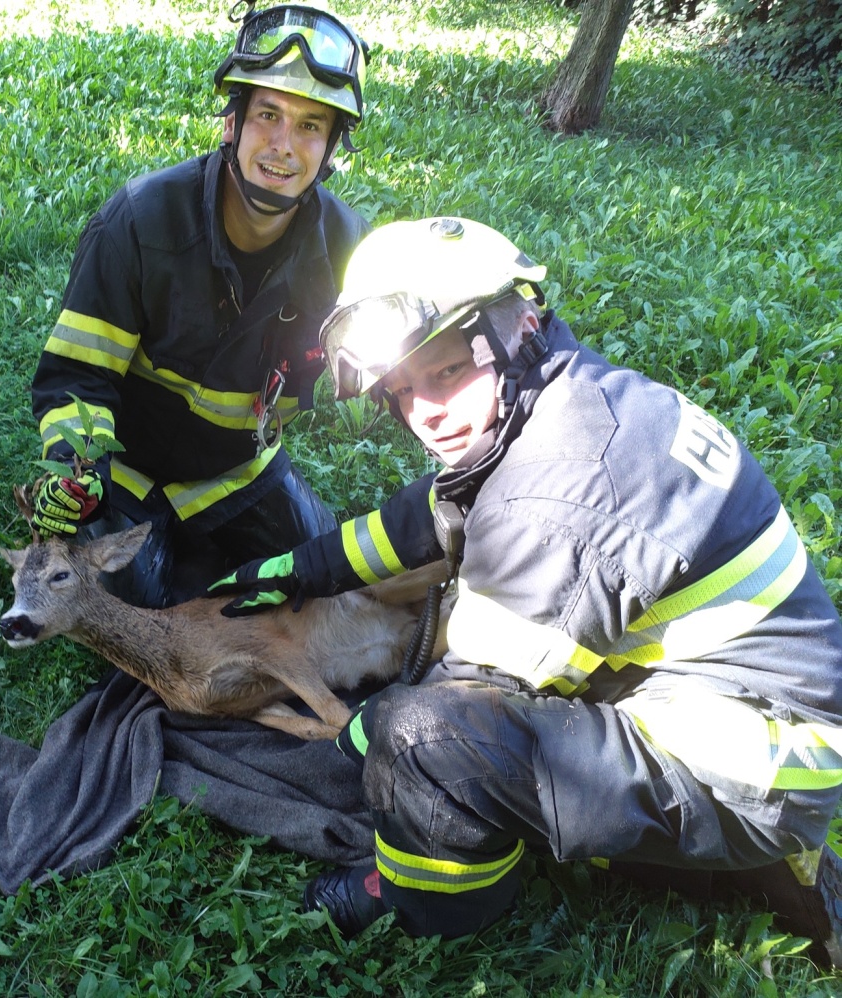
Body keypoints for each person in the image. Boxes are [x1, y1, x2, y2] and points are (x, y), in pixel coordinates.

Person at [209, 216, 842, 960]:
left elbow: (464, 696)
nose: (426, 414)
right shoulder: (558, 397)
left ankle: (424, 904)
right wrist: (295, 568)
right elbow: (436, 510)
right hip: (734, 697)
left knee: (419, 739)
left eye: (446, 371)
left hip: (751, 768)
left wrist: (341, 738)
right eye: (402, 389)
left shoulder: (554, 506)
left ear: (518, 324)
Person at [27, 2, 371, 607]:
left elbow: (394, 369)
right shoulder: (140, 222)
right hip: (126, 470)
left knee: (325, 578)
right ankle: (153, 554)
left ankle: (195, 548)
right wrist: (73, 469)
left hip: (235, 470)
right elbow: (78, 377)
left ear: (331, 146)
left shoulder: (346, 252)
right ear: (231, 122)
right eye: (268, 113)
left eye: (312, 126)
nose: (284, 146)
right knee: (134, 609)